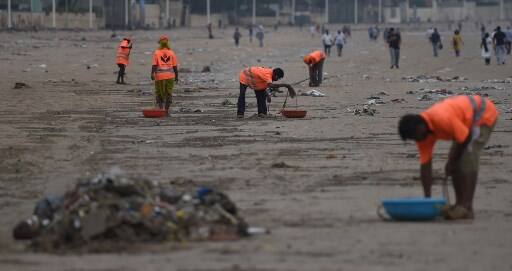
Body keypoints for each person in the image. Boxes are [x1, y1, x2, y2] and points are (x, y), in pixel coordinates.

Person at [398, 95, 498, 220]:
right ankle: (459, 205)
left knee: (467, 157)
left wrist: (452, 160)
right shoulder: (422, 136)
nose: (417, 140)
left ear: (419, 126)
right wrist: (427, 202)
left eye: (415, 136)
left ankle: (466, 207)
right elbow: (425, 167)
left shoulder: (441, 118)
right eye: (413, 139)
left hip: (482, 114)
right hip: (464, 124)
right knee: (455, 161)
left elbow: (466, 138)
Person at [151, 35, 179, 113]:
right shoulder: (171, 53)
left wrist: (152, 74)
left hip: (159, 76)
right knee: (168, 92)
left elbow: (154, 65)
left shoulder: (156, 52)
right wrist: (176, 76)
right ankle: (166, 111)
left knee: (159, 92)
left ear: (160, 43)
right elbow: (175, 66)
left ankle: (161, 109)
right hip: (170, 76)